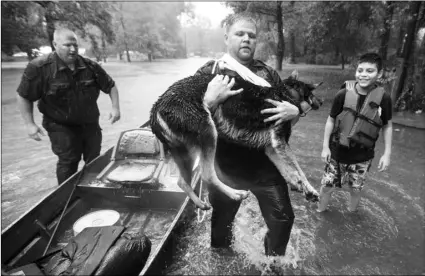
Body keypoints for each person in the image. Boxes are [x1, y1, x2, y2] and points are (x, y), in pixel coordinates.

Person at [194, 13, 301, 256]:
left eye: (251, 36)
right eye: (240, 34)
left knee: (283, 220)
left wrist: (295, 110)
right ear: (226, 38)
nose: (246, 40)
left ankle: (272, 264)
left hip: (266, 166)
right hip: (226, 168)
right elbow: (185, 119)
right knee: (220, 232)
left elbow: (286, 115)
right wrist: (209, 101)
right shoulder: (209, 71)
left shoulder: (268, 74)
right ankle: (222, 263)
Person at [16, 28, 121, 185]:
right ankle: (65, 197)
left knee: (94, 158)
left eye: (75, 45)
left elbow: (110, 85)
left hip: (89, 123)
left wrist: (115, 108)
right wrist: (30, 124)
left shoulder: (90, 66)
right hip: (59, 124)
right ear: (55, 44)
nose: (73, 50)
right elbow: (24, 96)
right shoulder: (39, 68)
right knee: (69, 160)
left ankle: (92, 190)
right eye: (67, 45)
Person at [317, 53, 393, 212]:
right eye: (360, 70)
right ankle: (320, 212)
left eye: (370, 71)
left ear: (379, 74)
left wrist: (387, 154)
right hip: (337, 152)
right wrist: (325, 147)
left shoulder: (384, 99)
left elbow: (387, 125)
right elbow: (331, 120)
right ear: (356, 71)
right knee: (326, 187)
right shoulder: (342, 94)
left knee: (355, 189)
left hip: (362, 157)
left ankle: (351, 214)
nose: (363, 74)